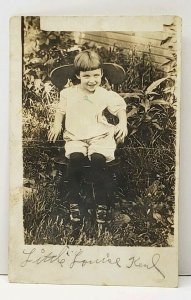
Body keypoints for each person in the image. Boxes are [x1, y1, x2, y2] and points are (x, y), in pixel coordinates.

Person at [48, 50, 127, 224]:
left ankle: (101, 204)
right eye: (86, 76)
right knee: (75, 159)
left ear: (101, 74)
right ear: (78, 75)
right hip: (76, 136)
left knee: (98, 161)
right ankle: (74, 202)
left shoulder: (103, 94)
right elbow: (60, 111)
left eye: (96, 75)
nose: (92, 80)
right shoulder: (68, 93)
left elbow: (119, 107)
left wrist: (123, 123)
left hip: (99, 136)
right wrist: (56, 125)